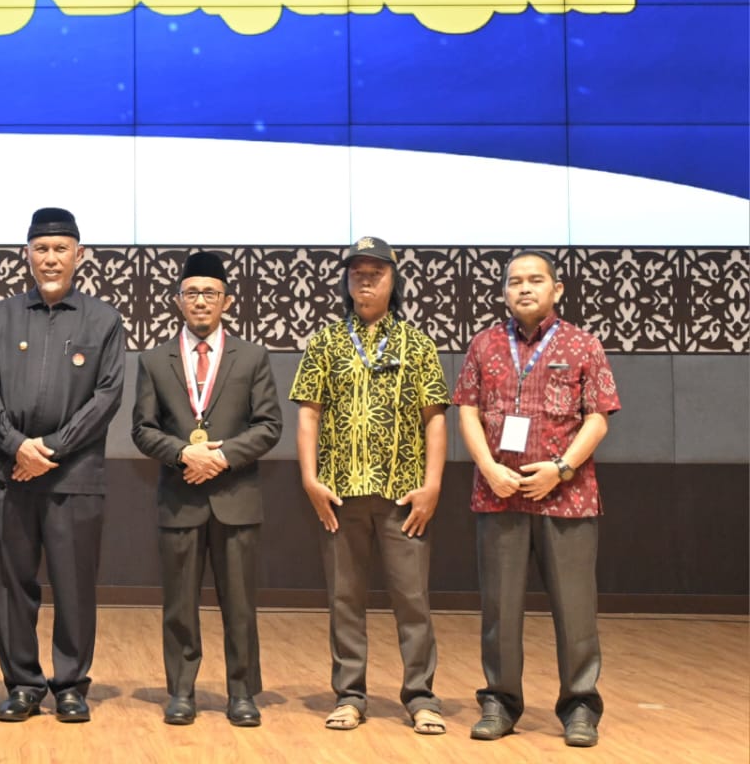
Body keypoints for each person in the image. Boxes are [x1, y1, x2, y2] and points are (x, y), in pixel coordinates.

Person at [455, 251, 620, 749]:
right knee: (499, 610)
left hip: (566, 497)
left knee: (575, 609)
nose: (524, 288)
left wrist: (562, 468)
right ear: (504, 291)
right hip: (498, 494)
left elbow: (599, 417)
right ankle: (500, 703)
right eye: (514, 282)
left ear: (557, 288)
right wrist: (487, 467)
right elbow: (467, 409)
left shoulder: (583, 345)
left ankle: (580, 706)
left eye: (535, 280)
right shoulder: (484, 344)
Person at [289, 235, 450, 736]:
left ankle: (421, 697)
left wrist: (432, 486)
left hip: (405, 496)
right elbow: (308, 415)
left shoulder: (418, 343)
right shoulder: (326, 342)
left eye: (375, 271)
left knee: (412, 600)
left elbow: (435, 420)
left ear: (393, 279)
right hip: (338, 495)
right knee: (344, 598)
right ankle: (350, 694)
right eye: (357, 271)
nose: (365, 279)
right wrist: (310, 480)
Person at [0, 207, 125, 723]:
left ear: (79, 256)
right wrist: (17, 445)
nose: (51, 258)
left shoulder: (104, 320)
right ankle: (21, 685)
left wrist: (50, 452)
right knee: (13, 586)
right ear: (27, 255)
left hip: (73, 479)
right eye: (41, 249)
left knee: (74, 585)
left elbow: (106, 398)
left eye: (61, 249)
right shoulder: (2, 316)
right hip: (6, 473)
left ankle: (70, 686)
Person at [131, 250, 281, 726]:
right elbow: (142, 428)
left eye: (210, 294)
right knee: (179, 605)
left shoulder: (253, 356)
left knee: (240, 604)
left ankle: (242, 693)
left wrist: (220, 456)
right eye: (192, 293)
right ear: (178, 300)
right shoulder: (154, 360)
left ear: (227, 301)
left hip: (236, 499)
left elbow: (269, 424)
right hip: (180, 499)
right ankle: (181, 691)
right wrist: (182, 454)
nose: (201, 301)